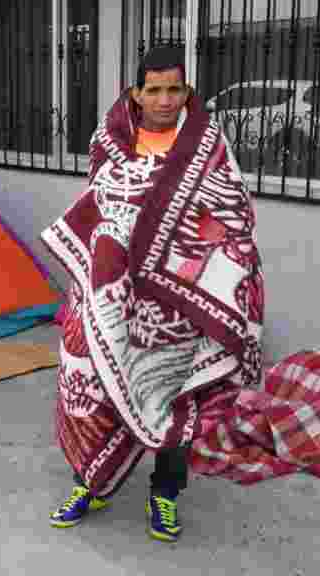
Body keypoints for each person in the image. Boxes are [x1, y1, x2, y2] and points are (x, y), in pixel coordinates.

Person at [40, 46, 265, 543]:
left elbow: (233, 214)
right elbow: (99, 207)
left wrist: (185, 237)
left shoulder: (207, 143)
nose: (165, 100)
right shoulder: (111, 139)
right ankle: (90, 482)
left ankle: (164, 494)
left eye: (175, 89)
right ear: (137, 93)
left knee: (171, 390)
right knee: (94, 382)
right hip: (112, 294)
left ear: (186, 91)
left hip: (180, 295)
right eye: (154, 90)